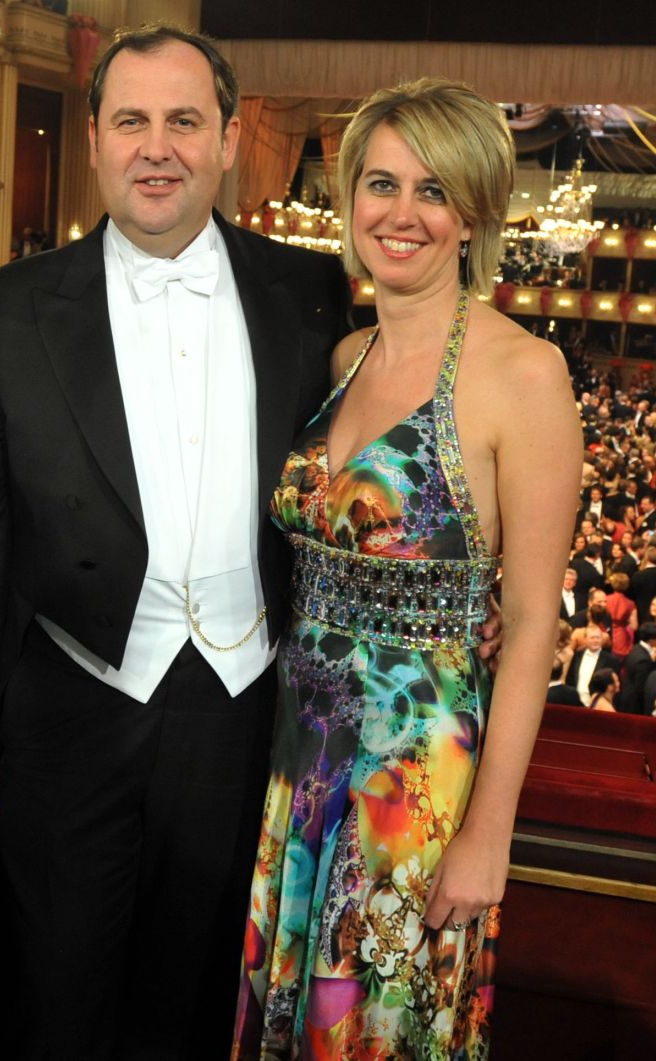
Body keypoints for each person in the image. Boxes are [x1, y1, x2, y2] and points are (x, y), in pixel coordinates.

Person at [0, 25, 355, 1060]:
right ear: (93, 138)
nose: (155, 146)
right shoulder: (10, 305)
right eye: (131, 121)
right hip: (70, 707)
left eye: (182, 121)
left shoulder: (308, 293)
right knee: (53, 992)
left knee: (196, 992)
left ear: (227, 137)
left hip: (243, 710)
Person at [235, 77, 576, 1058]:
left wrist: (487, 835)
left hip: (416, 778)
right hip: (300, 752)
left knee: (374, 1025)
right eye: (378, 183)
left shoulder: (522, 374)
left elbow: (529, 627)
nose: (399, 212)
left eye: (431, 190)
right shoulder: (342, 352)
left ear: (472, 212)